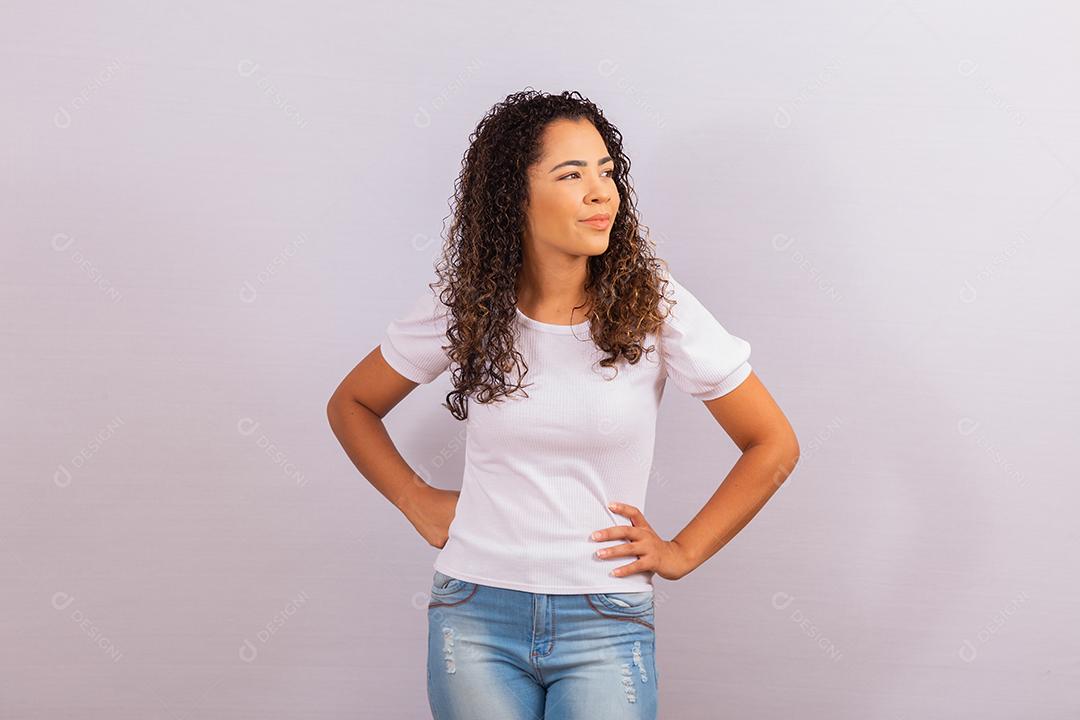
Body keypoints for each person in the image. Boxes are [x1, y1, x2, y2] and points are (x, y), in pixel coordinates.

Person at [327, 89, 800, 720]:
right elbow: (353, 403)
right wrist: (417, 499)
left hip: (604, 619)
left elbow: (772, 443)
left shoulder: (655, 306)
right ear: (513, 198)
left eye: (606, 172)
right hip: (474, 615)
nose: (601, 191)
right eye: (571, 175)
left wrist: (682, 552)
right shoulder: (467, 307)